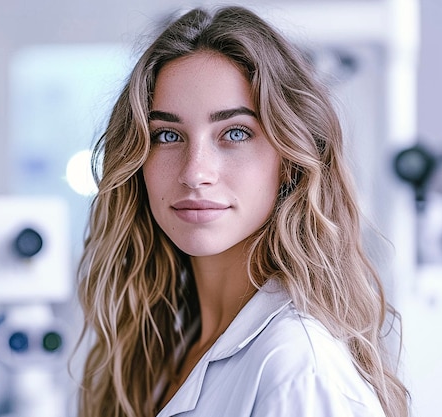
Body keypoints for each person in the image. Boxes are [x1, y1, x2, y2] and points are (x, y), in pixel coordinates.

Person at [76, 5, 410, 417]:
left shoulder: (297, 370)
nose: (195, 172)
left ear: (289, 158)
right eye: (167, 134)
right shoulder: (165, 349)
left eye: (234, 133)